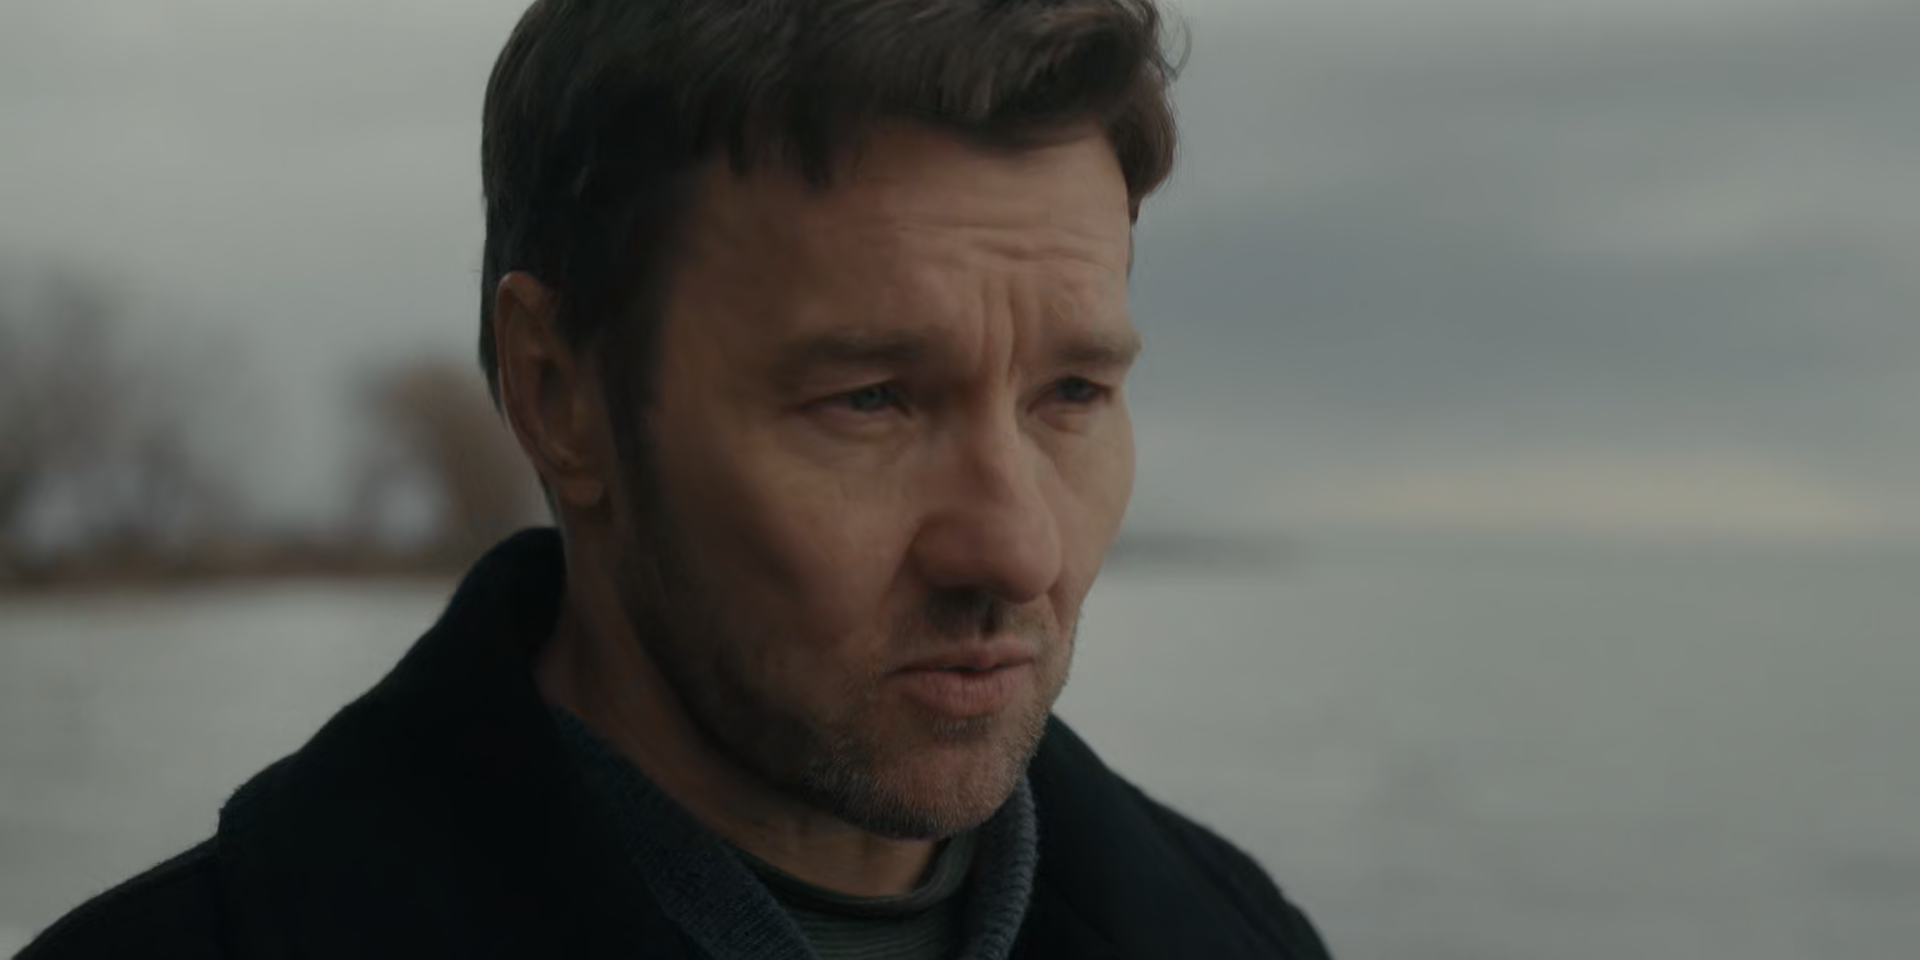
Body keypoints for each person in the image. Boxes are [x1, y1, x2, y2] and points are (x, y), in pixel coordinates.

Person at [23, 1, 1333, 957]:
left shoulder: (1242, 936)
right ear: (559, 395)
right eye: (869, 399)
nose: (1017, 549)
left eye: (1074, 393)